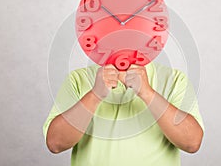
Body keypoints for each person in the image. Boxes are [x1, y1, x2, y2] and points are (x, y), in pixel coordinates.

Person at [43, 61, 204, 166]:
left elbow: (191, 143)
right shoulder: (78, 79)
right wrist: (95, 95)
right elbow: (56, 143)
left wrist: (147, 93)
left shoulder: (174, 79)